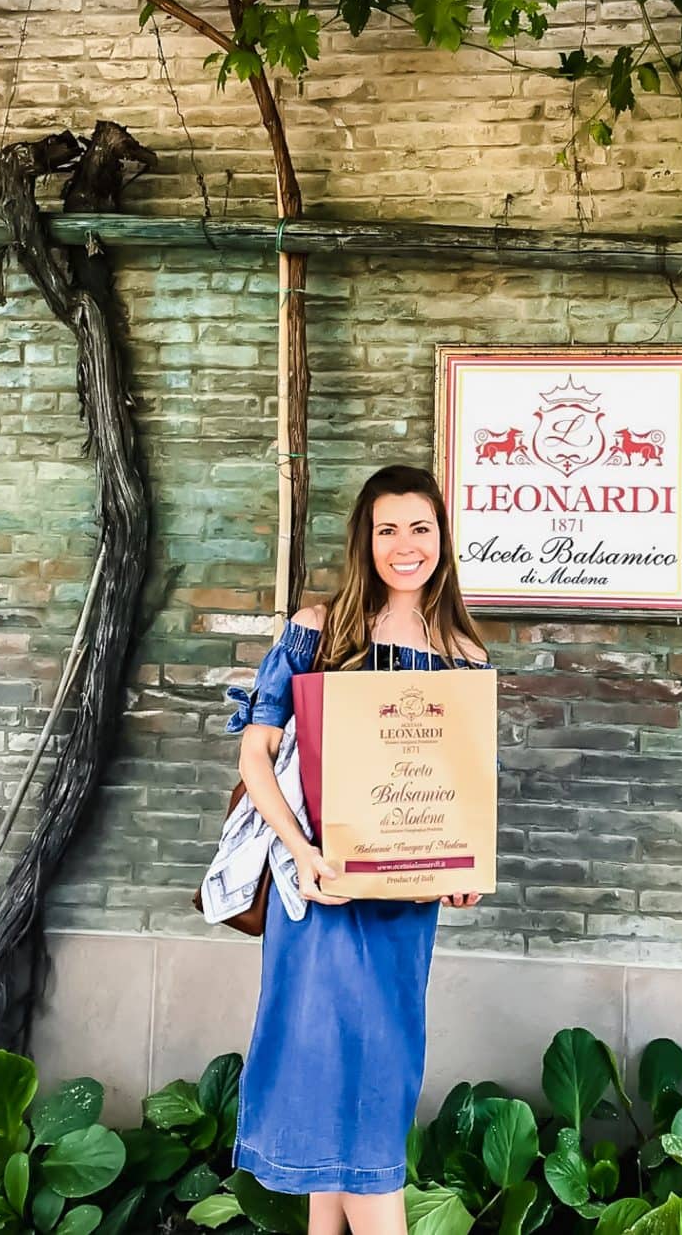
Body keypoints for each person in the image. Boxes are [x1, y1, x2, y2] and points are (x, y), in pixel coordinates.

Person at [224, 465, 490, 1235]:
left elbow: (462, 786)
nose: (405, 546)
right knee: (337, 1087)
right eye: (387, 529)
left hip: (404, 912)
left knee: (374, 1080)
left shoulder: (463, 653)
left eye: (420, 528)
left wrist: (463, 870)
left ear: (442, 538)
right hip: (322, 899)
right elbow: (255, 756)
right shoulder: (319, 628)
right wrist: (301, 852)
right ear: (365, 539)